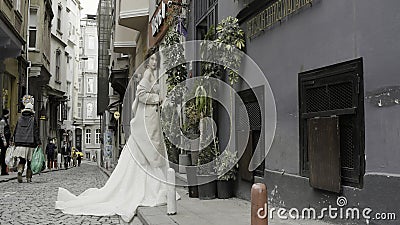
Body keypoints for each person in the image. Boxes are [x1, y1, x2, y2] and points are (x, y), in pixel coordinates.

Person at [55, 51, 179, 222]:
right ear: (147, 62)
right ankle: (149, 188)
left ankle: (153, 186)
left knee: (149, 152)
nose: (154, 63)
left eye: (156, 60)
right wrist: (158, 98)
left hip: (150, 119)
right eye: (152, 60)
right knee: (148, 150)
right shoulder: (147, 76)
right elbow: (141, 95)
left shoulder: (150, 75)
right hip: (147, 121)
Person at [13, 103, 41, 183]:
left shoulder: (19, 118)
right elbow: (35, 131)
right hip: (30, 144)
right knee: (30, 162)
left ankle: (20, 171)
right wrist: (38, 142)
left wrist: (14, 140)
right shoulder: (32, 119)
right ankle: (28, 178)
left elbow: (16, 130)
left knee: (22, 161)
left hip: (20, 143)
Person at [0, 109, 11, 175]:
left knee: (4, 155)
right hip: (2, 141)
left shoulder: (5, 120)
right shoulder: (2, 121)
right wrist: (4, 141)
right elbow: (1, 132)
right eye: (8, 113)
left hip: (6, 140)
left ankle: (4, 170)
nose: (9, 115)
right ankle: (3, 170)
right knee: (2, 155)